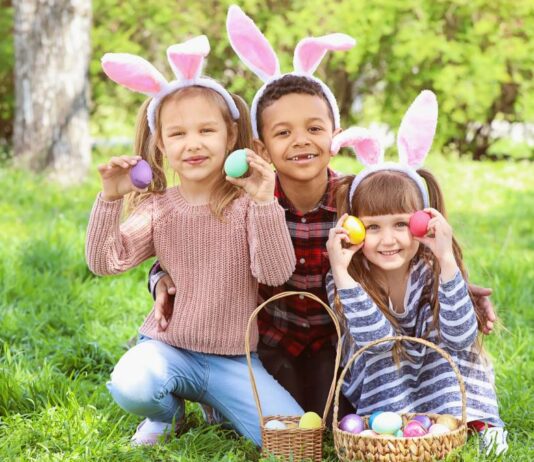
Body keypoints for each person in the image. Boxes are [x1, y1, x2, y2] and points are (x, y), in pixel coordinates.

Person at [148, 5, 497, 425]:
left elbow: (403, 243)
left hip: (341, 341)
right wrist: (159, 277)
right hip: (269, 340)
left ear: (335, 138)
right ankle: (195, 398)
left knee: (332, 417)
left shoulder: (358, 198)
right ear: (261, 148)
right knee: (266, 423)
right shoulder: (246, 199)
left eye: (315, 129)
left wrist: (454, 285)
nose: (301, 141)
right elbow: (190, 248)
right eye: (283, 132)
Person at [85, 36, 303, 447]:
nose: (193, 143)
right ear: (161, 144)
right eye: (178, 134)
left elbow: (275, 271)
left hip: (235, 361)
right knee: (131, 383)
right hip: (169, 350)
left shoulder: (245, 205)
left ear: (229, 133)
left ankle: (217, 403)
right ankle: (168, 415)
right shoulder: (158, 207)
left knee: (289, 442)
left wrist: (263, 201)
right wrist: (110, 200)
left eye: (206, 130)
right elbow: (105, 262)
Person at [325, 90, 508, 456]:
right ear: (354, 228)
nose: (387, 240)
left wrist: (447, 261)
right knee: (382, 361)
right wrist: (341, 272)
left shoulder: (431, 269)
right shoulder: (345, 278)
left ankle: (477, 422)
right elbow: (374, 342)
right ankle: (398, 429)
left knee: (449, 357)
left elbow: (459, 335)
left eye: (400, 225)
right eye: (372, 227)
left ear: (423, 224)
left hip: (437, 365)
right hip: (384, 372)